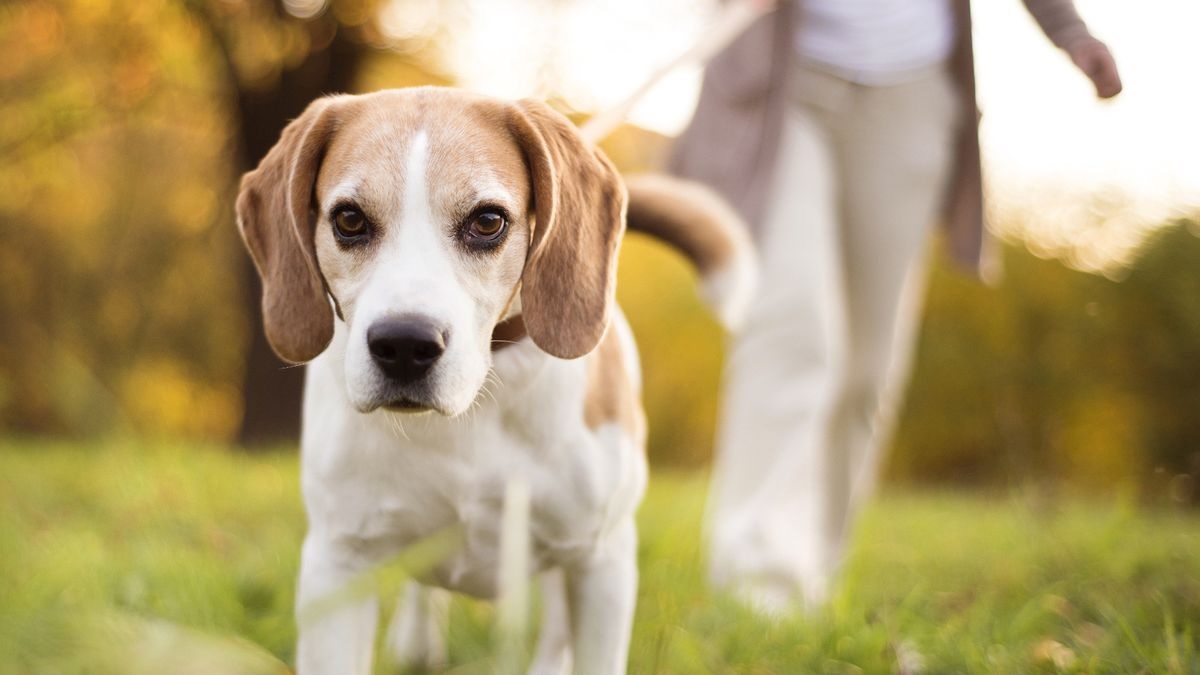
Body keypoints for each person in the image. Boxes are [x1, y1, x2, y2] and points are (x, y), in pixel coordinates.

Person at [670, 0, 1122, 611]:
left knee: (866, 366)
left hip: (911, 92)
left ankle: (813, 572)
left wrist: (1069, 30)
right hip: (780, 81)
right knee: (793, 326)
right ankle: (758, 585)